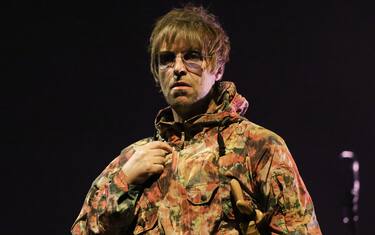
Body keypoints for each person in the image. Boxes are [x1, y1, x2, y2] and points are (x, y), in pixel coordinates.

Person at [71, 5, 322, 235]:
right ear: (156, 74)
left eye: (192, 56)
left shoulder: (258, 147)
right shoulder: (134, 159)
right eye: (167, 59)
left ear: (218, 68)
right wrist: (123, 181)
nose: (178, 68)